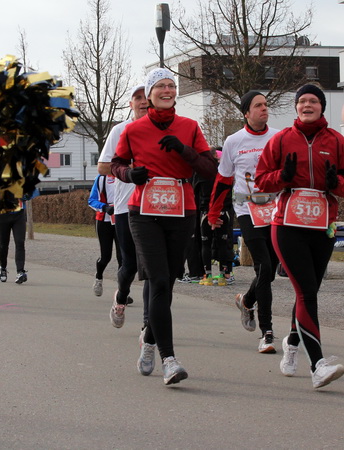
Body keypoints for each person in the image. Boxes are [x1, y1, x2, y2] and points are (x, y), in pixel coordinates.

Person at [111, 68, 216, 385]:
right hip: (144, 212)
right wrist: (130, 175)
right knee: (157, 280)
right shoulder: (133, 129)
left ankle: (149, 340)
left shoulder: (190, 127)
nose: (167, 90)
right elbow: (116, 164)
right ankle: (169, 360)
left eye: (172, 85)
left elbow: (210, 168)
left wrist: (184, 150)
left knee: (167, 283)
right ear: (149, 94)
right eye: (160, 86)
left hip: (182, 210)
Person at [255, 84, 344, 388]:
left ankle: (292, 343)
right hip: (287, 225)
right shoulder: (281, 140)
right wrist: (283, 177)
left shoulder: (337, 141)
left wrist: (335, 183)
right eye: (302, 101)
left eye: (313, 101)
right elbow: (261, 181)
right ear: (296, 107)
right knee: (306, 292)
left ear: (322, 107)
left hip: (324, 226)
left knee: (309, 291)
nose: (307, 105)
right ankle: (317, 365)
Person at [207, 91, 280, 353]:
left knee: (269, 271)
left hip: (274, 209)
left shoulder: (279, 137)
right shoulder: (234, 141)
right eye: (258, 105)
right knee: (264, 265)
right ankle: (267, 333)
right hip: (247, 210)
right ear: (246, 113)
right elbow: (224, 179)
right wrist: (214, 212)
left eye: (266, 104)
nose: (264, 109)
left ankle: (247, 300)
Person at [97, 83, 149, 371]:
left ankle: (148, 326)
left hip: (155, 205)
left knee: (150, 267)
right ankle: (120, 298)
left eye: (146, 97)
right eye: (137, 98)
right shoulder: (120, 130)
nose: (143, 102)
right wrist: (129, 169)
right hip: (125, 206)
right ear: (130, 104)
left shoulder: (160, 129)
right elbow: (103, 166)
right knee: (129, 264)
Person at [196, 147, 234, 286]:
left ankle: (207, 276)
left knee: (205, 243)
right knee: (223, 243)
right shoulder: (226, 172)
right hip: (224, 210)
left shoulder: (202, 172)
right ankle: (223, 275)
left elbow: (196, 191)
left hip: (206, 212)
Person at [88, 174, 121, 296]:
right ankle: (99, 277)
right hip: (104, 221)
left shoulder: (125, 175)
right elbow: (91, 200)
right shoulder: (101, 178)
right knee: (105, 257)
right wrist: (104, 207)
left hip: (121, 221)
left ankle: (122, 291)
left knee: (123, 258)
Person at [0, 201, 28, 284]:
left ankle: (20, 271)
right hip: (3, 214)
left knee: (20, 242)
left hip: (19, 214)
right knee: (3, 244)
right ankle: (3, 267)